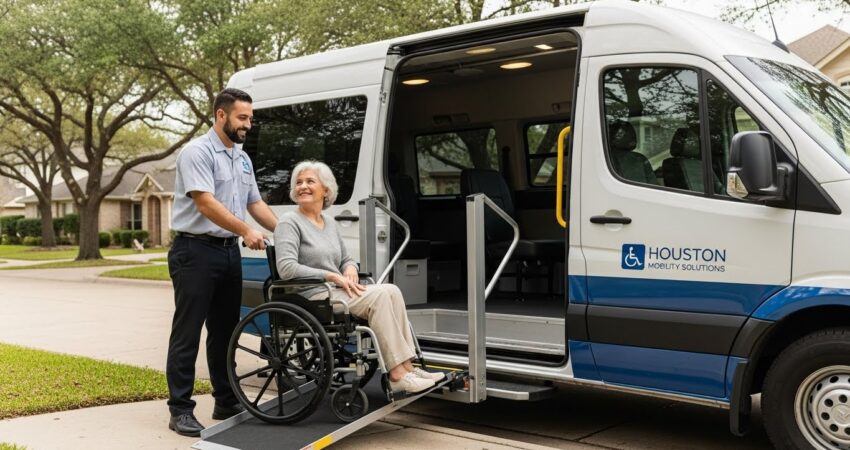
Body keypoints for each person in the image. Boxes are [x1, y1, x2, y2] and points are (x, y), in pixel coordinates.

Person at [274, 160, 445, 394]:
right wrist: (332, 276)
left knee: (391, 290)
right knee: (379, 297)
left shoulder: (329, 223)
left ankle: (408, 367)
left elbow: (346, 259)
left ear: (326, 190)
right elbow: (286, 268)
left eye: (310, 181)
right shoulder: (289, 222)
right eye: (299, 182)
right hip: (312, 295)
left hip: (334, 291)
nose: (302, 186)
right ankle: (397, 375)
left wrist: (350, 269)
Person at [166, 88, 278, 437]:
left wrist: (291, 231)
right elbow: (206, 203)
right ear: (220, 115)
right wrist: (246, 230)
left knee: (225, 330)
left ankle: (225, 399)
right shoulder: (196, 152)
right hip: (194, 252)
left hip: (229, 252)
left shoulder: (242, 159)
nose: (248, 124)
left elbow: (254, 203)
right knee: (188, 332)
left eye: (250, 119)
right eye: (242, 118)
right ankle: (180, 410)